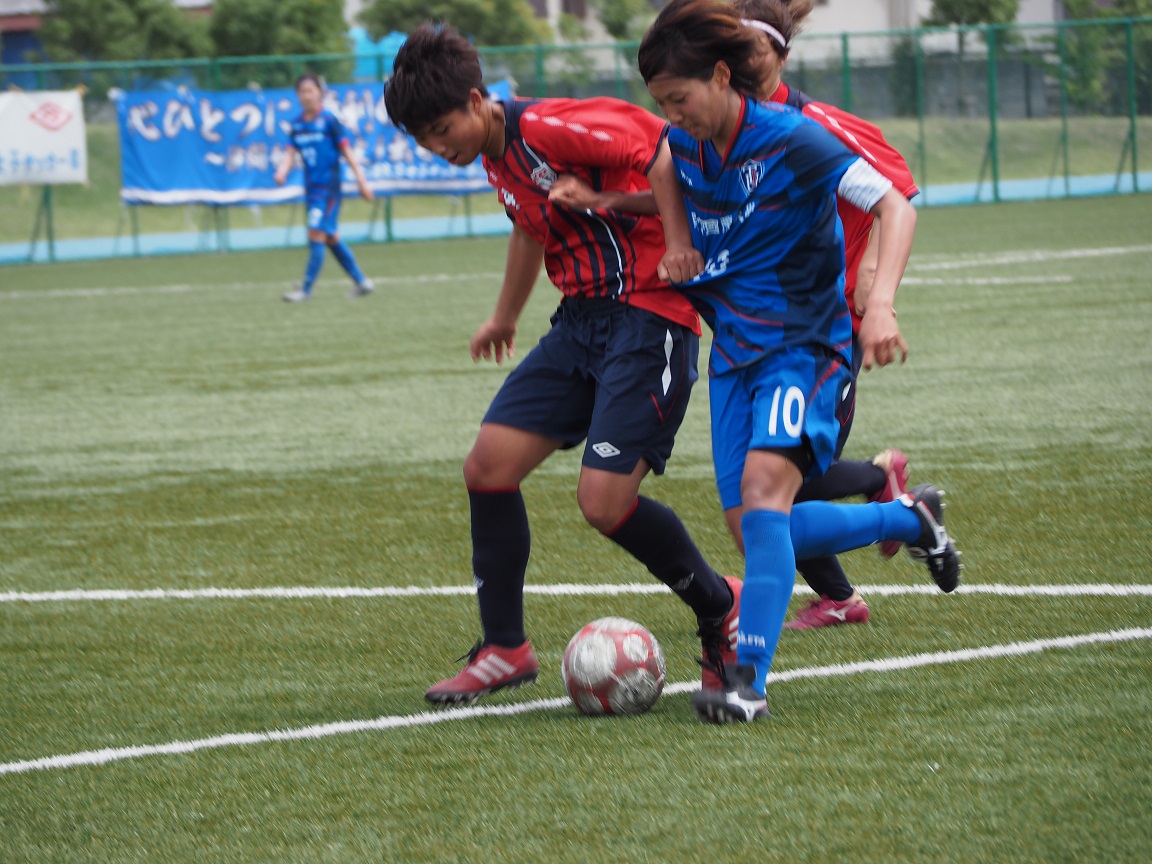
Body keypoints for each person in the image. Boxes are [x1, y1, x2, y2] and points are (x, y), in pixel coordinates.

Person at [384, 22, 743, 707]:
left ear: (476, 98)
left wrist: (675, 241)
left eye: (440, 128)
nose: (436, 148)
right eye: (422, 139)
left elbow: (665, 148)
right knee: (488, 468)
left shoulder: (551, 127)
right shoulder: (497, 158)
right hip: (581, 323)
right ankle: (504, 648)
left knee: (603, 505)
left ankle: (719, 609)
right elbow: (528, 223)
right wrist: (506, 315)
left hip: (648, 315)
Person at [550, 0, 924, 631]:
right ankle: (877, 511)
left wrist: (873, 289)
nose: (743, 60)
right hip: (744, 335)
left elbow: (896, 194)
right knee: (763, 504)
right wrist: (615, 203)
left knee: (776, 488)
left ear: (770, 56)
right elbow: (680, 182)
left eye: (753, 48)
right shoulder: (702, 133)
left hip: (819, 324)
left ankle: (873, 525)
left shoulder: (807, 124)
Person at [637, 0, 961, 723]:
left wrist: (880, 304)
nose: (672, 113)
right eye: (660, 102)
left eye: (680, 98)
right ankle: (909, 520)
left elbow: (893, 205)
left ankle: (746, 679)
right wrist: (678, 236)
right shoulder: (681, 143)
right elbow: (662, 166)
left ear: (722, 76)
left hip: (805, 348)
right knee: (756, 523)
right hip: (734, 359)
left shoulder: (793, 138)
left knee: (761, 497)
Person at [274, 72, 376, 302]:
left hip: (328, 189)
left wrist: (362, 180)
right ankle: (362, 282)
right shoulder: (297, 125)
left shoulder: (329, 121)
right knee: (330, 237)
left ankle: (305, 290)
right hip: (312, 190)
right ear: (297, 95)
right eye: (302, 91)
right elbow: (290, 153)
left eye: (311, 90)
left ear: (319, 93)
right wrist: (282, 171)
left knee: (316, 234)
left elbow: (347, 151)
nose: (306, 95)